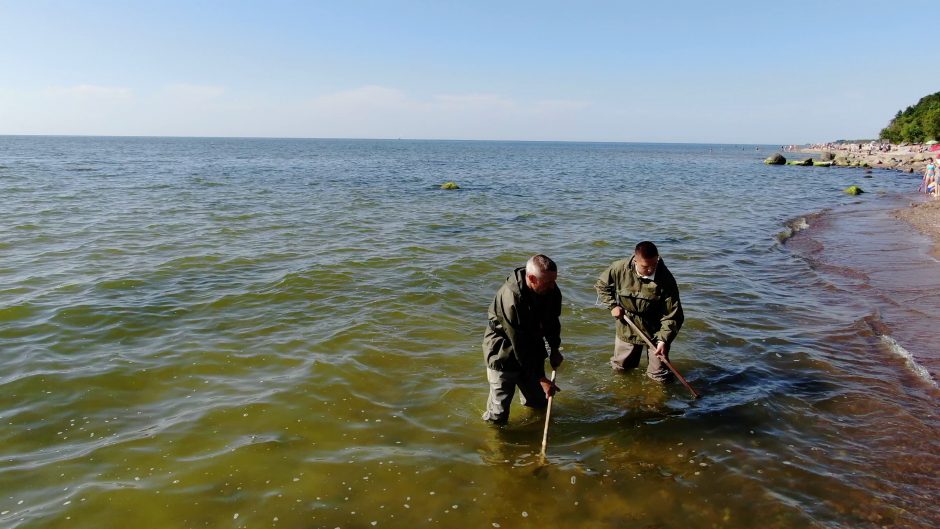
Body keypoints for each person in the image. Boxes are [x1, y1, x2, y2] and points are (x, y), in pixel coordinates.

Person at [482, 254, 563, 424]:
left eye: (554, 280)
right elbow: (519, 342)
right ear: (532, 278)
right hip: (503, 351)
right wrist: (541, 378)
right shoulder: (511, 298)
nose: (553, 286)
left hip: (532, 348)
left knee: (539, 403)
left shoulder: (550, 289)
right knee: (498, 414)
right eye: (548, 282)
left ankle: (533, 434)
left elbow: (552, 321)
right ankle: (496, 445)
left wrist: (554, 349)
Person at [594, 241, 684, 382]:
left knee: (659, 375)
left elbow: (672, 315)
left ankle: (656, 401)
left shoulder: (666, 279)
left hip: (656, 328)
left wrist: (663, 340)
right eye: (645, 266)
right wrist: (612, 306)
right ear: (635, 260)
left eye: (654, 265)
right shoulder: (619, 268)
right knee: (621, 368)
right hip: (627, 324)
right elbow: (601, 285)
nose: (650, 270)